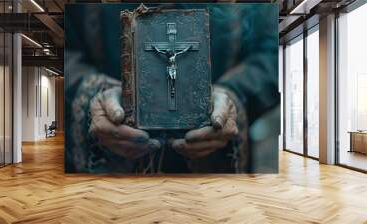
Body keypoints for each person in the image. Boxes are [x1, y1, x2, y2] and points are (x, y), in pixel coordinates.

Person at [64, 3, 279, 173]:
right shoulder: (165, 50)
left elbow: (270, 53)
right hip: (114, 157)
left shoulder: (178, 51)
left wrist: (233, 94)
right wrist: (94, 93)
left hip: (213, 158)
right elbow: (67, 50)